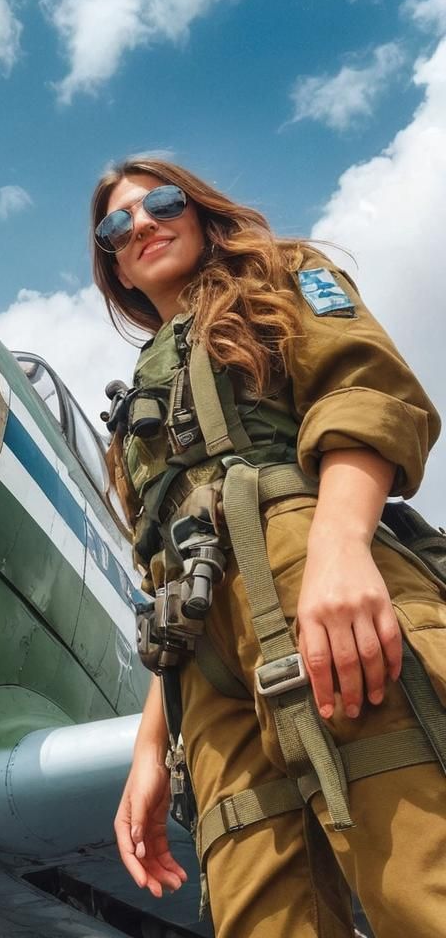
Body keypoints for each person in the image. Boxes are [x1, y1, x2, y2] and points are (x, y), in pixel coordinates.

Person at [91, 156, 446, 937]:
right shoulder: (137, 401)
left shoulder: (280, 279)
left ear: (199, 210)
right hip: (201, 671)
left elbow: (366, 394)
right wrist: (153, 750)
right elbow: (171, 581)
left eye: (161, 202)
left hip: (307, 571)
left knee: (420, 881)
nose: (141, 224)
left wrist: (340, 549)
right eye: (117, 225)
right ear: (113, 264)